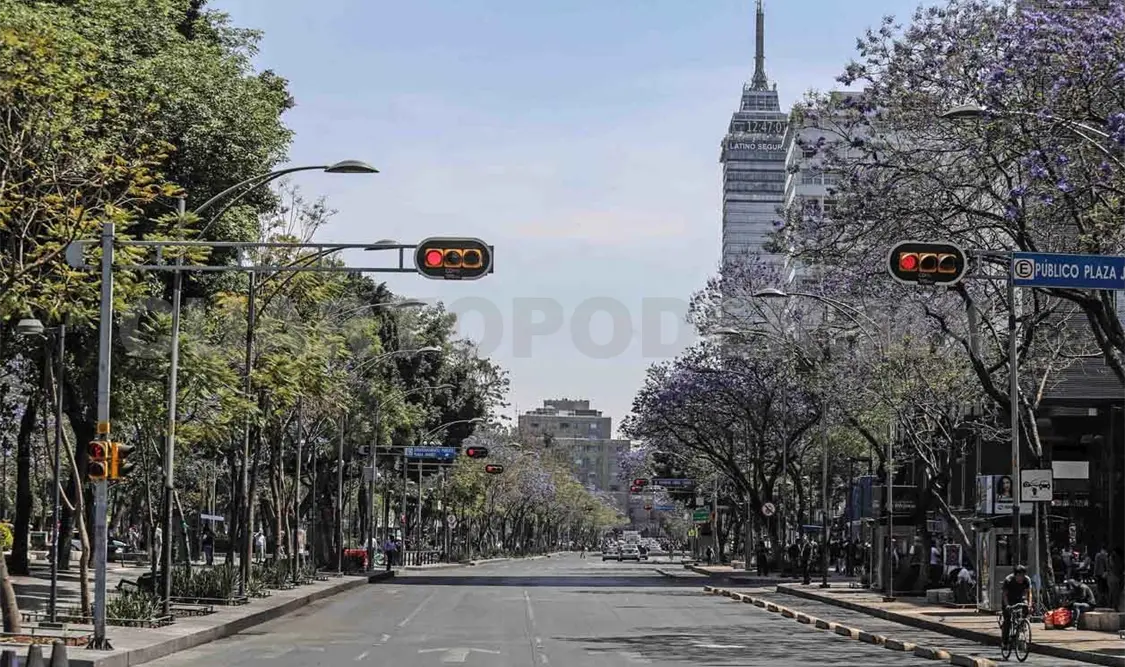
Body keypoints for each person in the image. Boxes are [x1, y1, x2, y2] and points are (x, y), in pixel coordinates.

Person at [1000, 564, 1032, 647]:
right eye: (1019, 576)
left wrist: (1029, 604)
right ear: (1015, 575)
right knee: (1007, 621)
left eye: (1023, 575)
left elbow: (1029, 593)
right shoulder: (1008, 580)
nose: (1021, 578)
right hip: (1008, 600)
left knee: (1025, 610)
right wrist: (1007, 605)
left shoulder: (1027, 580)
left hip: (1019, 599)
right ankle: (1005, 642)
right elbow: (1004, 595)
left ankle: (1021, 626)